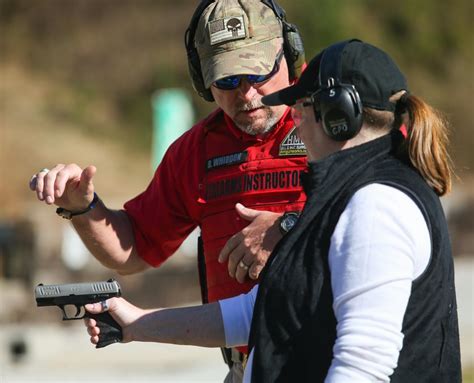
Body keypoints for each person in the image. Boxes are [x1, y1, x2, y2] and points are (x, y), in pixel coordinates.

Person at [83, 39, 461, 382]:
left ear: (337, 115)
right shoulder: (347, 196)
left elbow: (362, 365)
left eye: (301, 109)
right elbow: (258, 312)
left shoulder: (374, 206)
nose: (293, 122)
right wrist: (136, 323)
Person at [29, 0, 307, 380]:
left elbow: (399, 218)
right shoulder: (195, 152)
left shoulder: (335, 123)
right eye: (226, 80)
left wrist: (290, 228)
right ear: (202, 78)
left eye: (257, 72)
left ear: (288, 54)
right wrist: (83, 207)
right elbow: (133, 249)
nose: (245, 93)